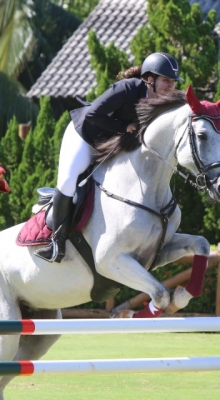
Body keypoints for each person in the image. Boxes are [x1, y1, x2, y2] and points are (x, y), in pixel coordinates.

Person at [35, 52, 183, 263]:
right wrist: (123, 127)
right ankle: (55, 243)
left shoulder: (165, 104)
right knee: (68, 181)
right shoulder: (127, 89)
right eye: (166, 80)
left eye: (173, 82)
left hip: (114, 143)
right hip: (85, 135)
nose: (170, 86)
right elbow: (94, 114)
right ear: (150, 79)